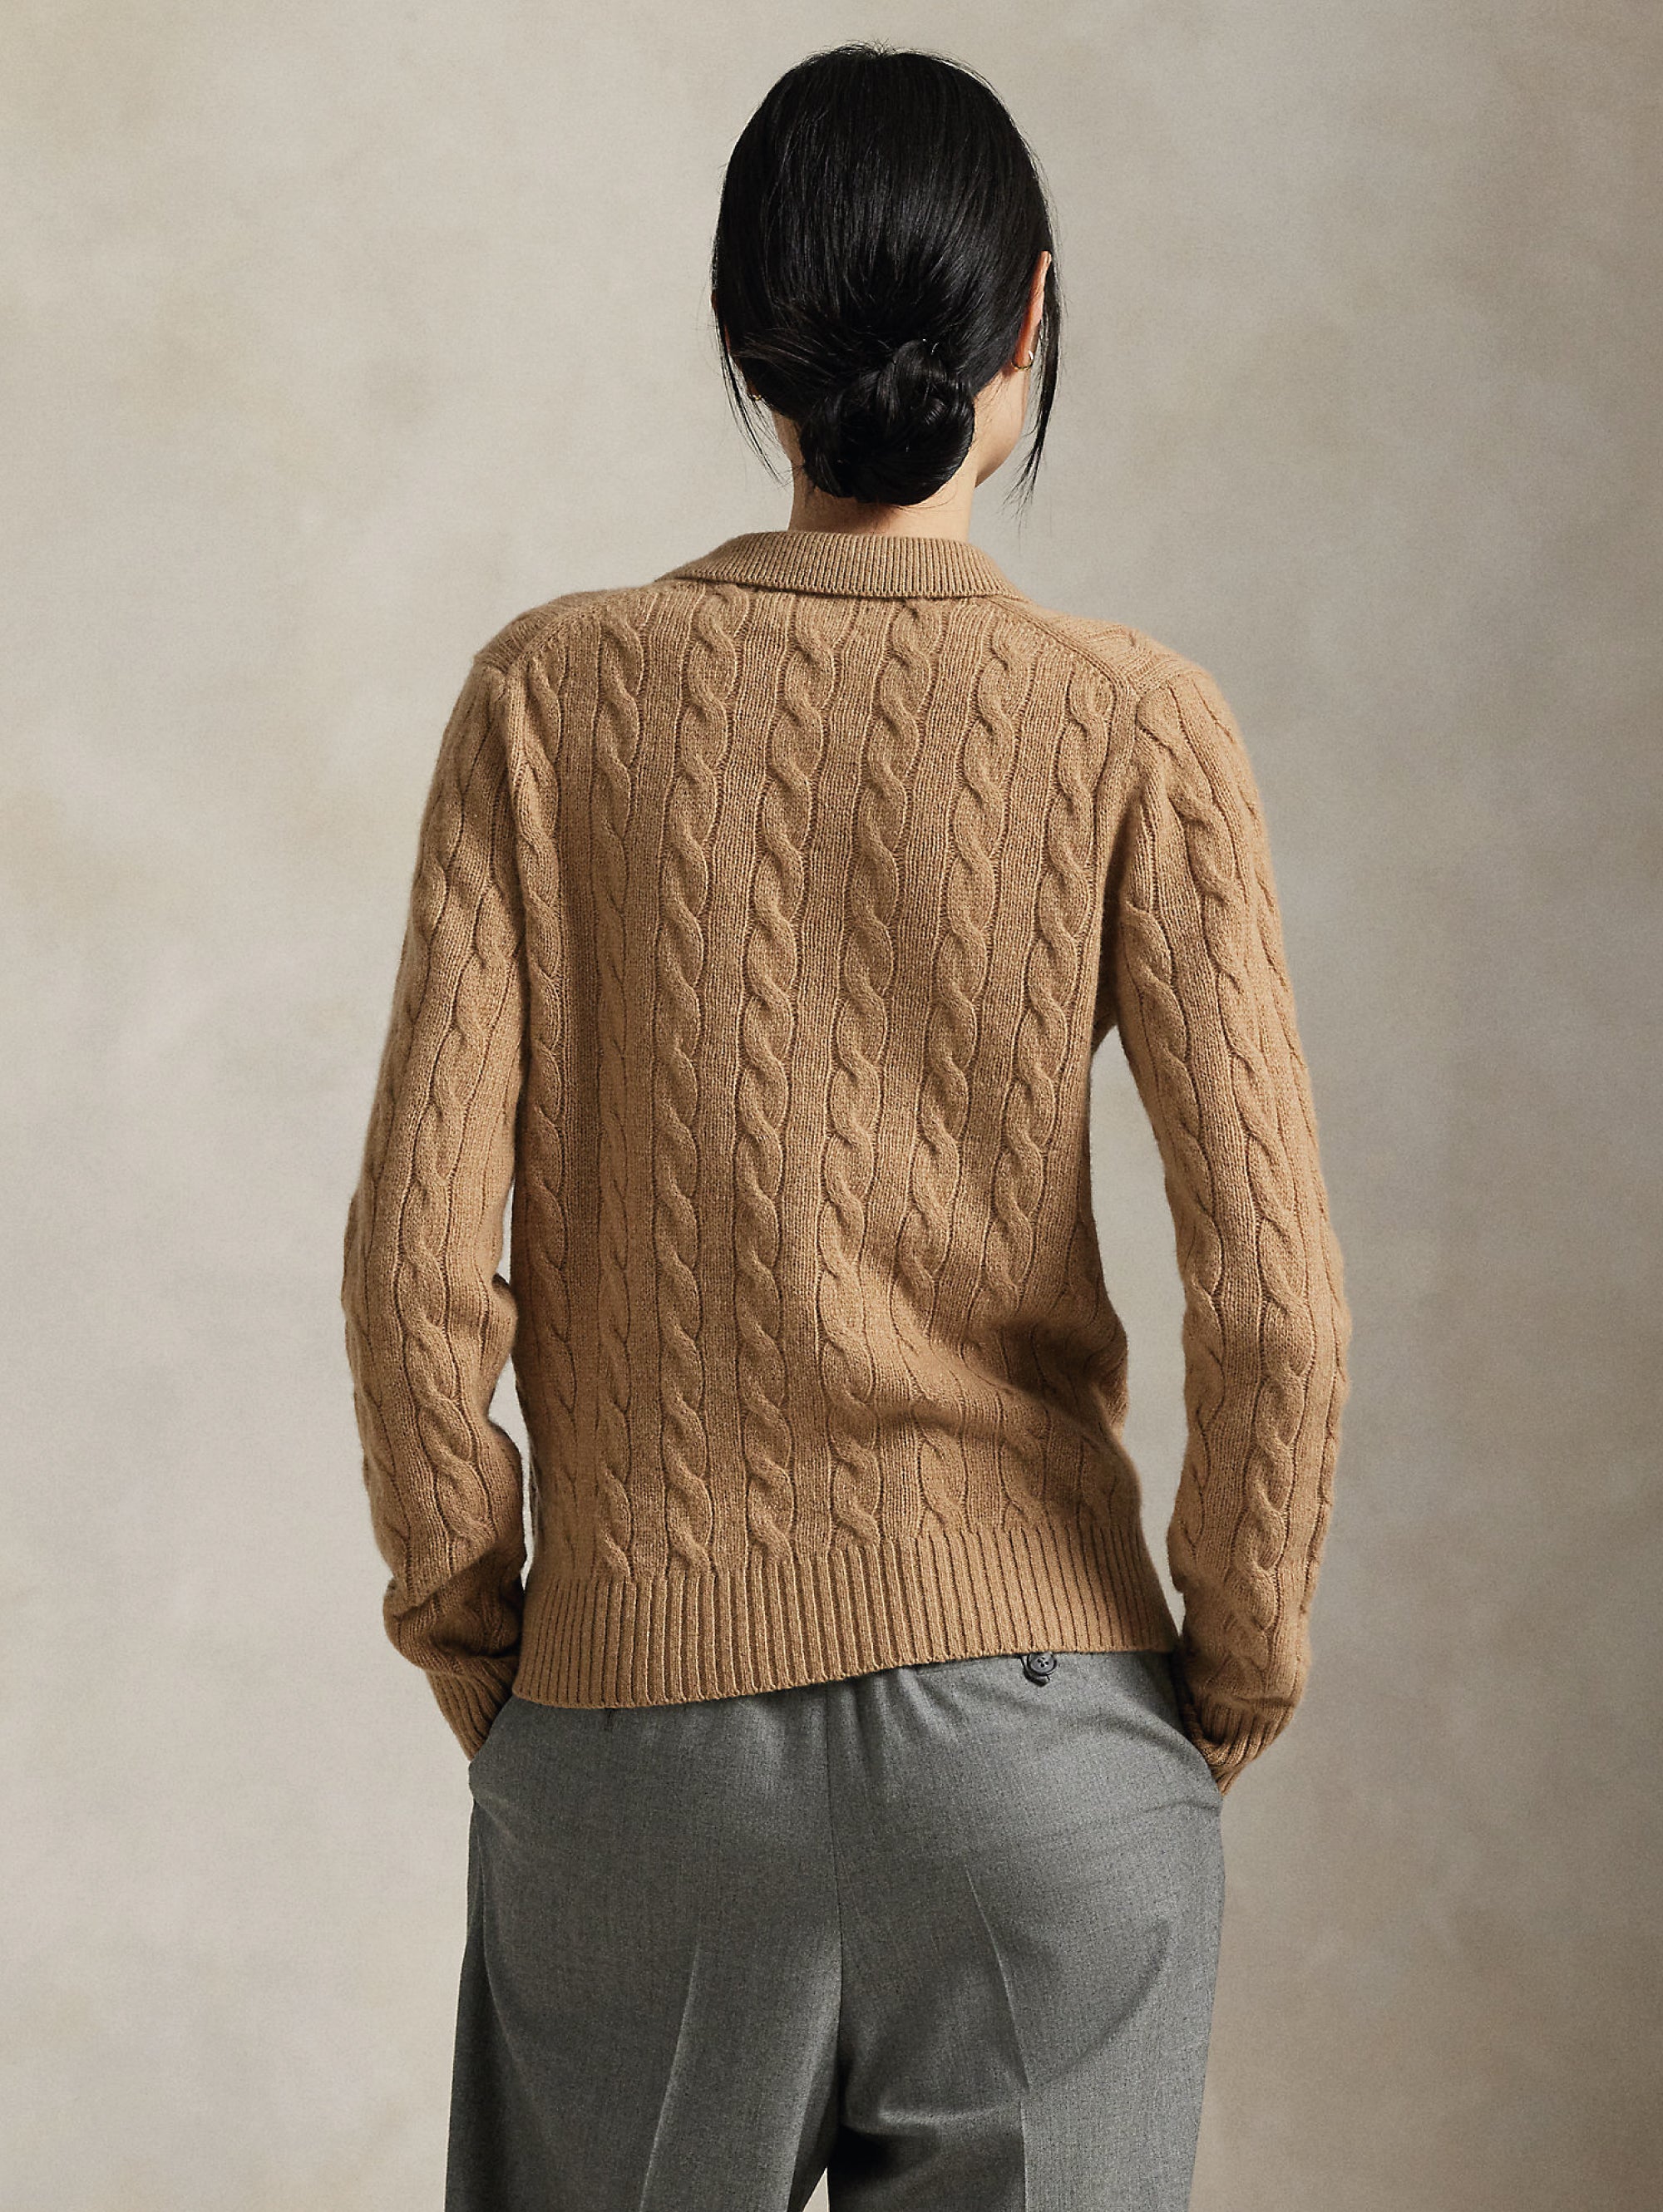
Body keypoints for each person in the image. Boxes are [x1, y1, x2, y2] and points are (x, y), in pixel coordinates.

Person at [339, 39, 1352, 2212]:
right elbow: (1276, 1306)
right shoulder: (1137, 726)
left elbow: (414, 1274)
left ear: (743, 338)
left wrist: (501, 1661)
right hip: (1051, 1760)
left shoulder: (548, 700)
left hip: (636, 1753)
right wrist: (1212, 1697)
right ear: (1028, 324)